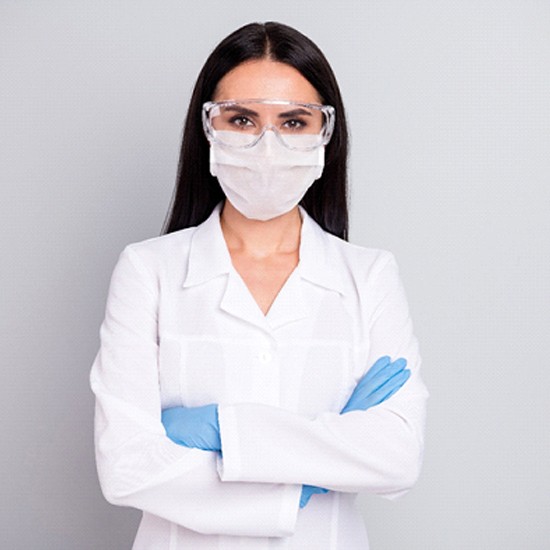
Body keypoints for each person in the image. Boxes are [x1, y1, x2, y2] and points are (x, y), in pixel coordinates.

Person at [90, 21, 429, 550]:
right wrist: (322, 463)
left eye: (294, 121)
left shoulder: (369, 276)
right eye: (242, 118)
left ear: (324, 133)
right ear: (208, 126)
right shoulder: (147, 270)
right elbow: (126, 466)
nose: (267, 145)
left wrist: (225, 430)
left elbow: (396, 457)